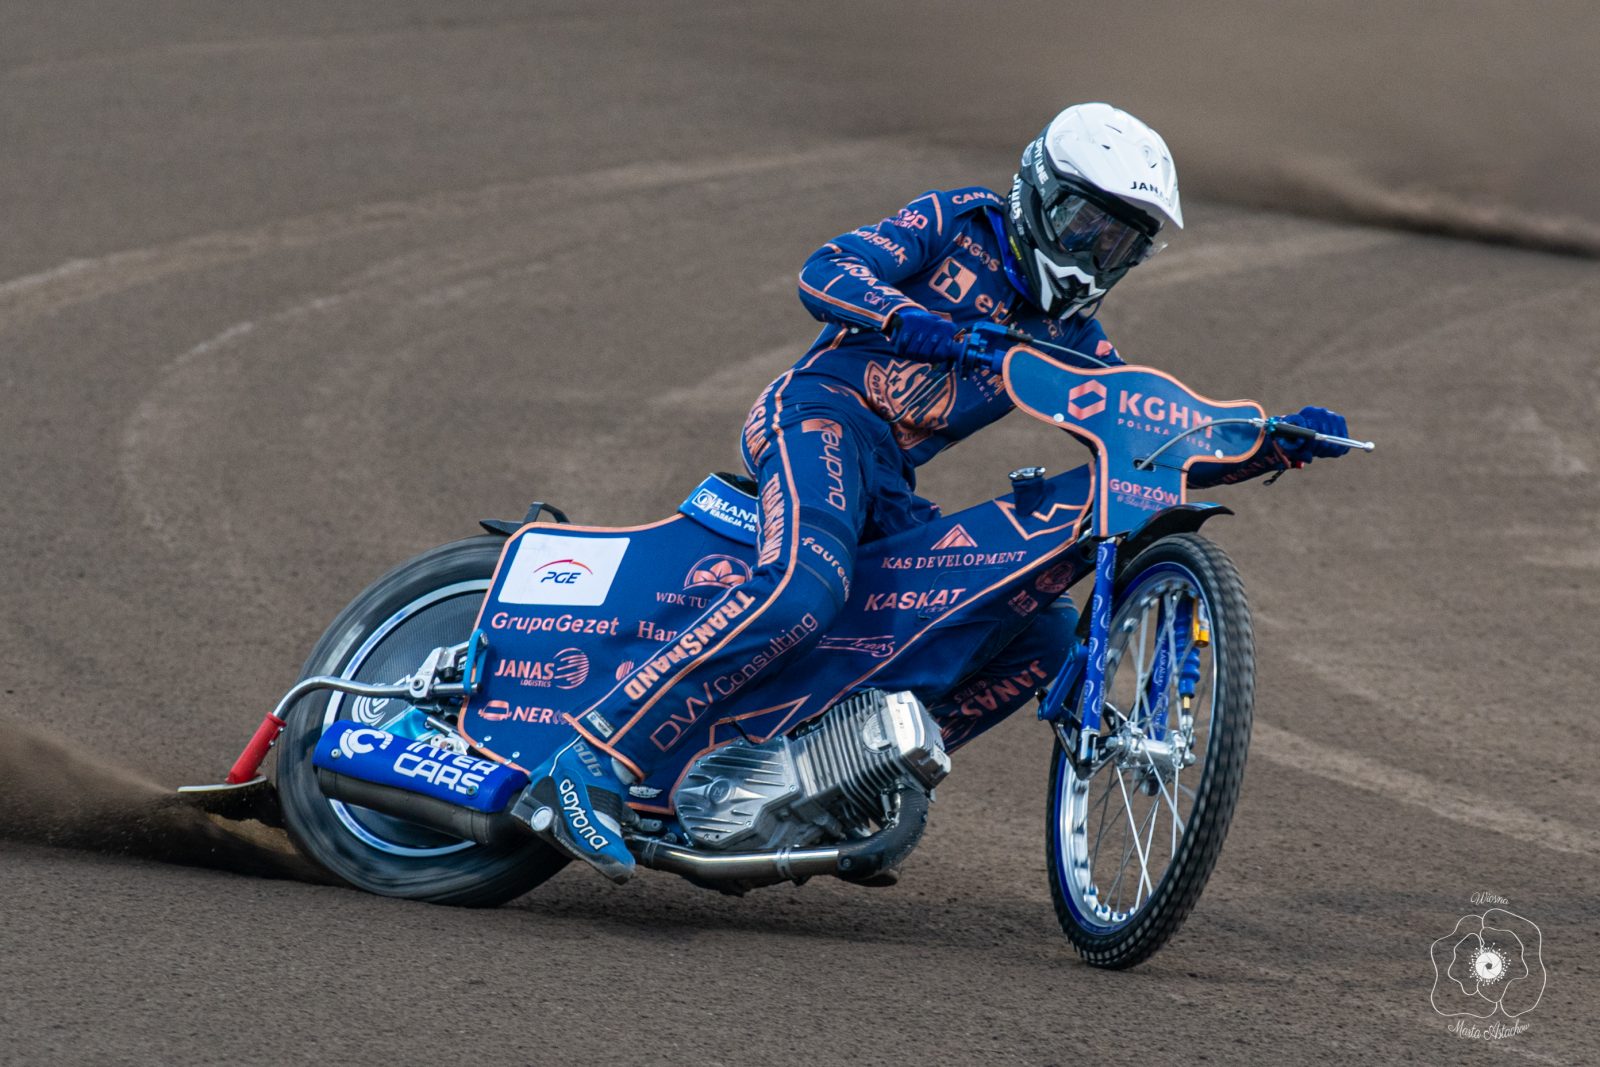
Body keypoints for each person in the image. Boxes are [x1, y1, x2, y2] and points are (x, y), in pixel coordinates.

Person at [521, 103, 1351, 882]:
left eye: (1118, 246)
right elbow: (827, 268)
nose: (1095, 255)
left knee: (1041, 635)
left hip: (889, 478)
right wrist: (904, 319)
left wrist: (1266, 443)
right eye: (1084, 228)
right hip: (817, 415)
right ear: (1037, 193)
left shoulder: (1075, 340)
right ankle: (592, 757)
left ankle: (848, 783)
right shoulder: (958, 221)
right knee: (806, 589)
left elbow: (1141, 441)